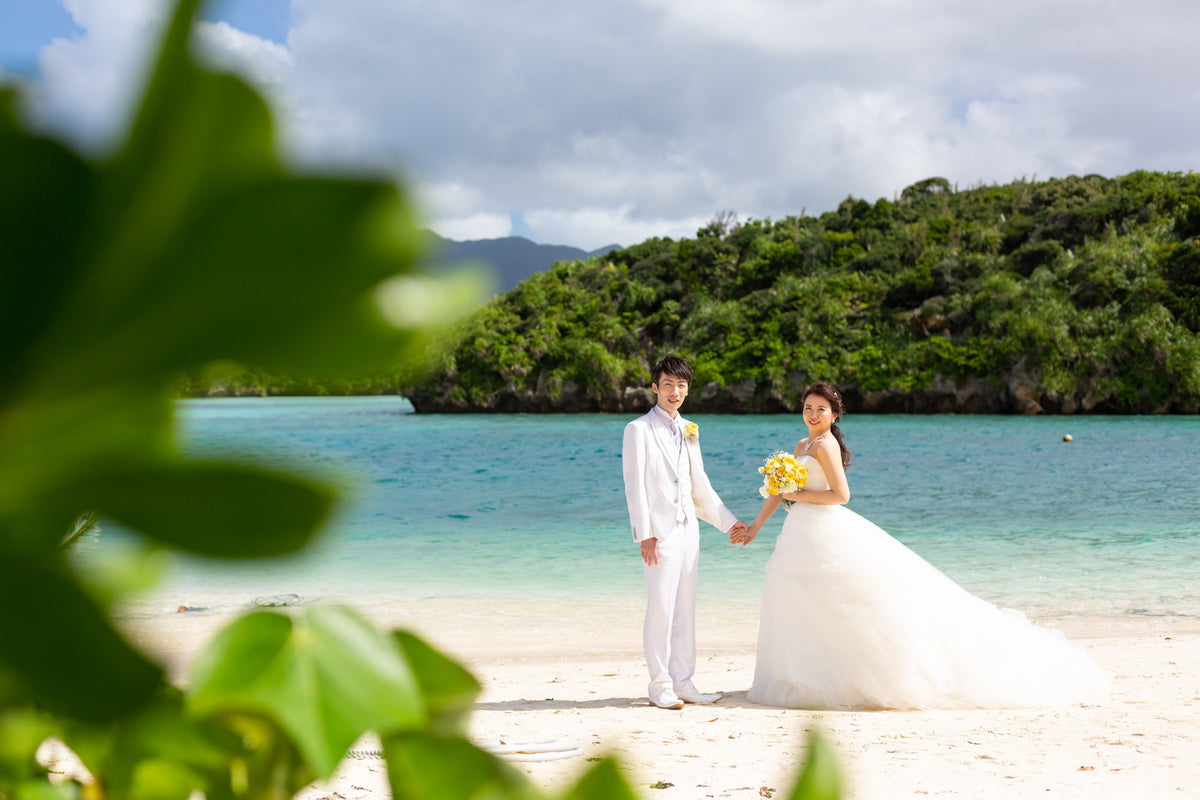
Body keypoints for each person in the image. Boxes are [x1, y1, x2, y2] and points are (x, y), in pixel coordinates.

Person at [731, 381, 1106, 709]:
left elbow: (840, 496)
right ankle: (801, 676)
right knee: (801, 603)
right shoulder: (802, 444)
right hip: (798, 531)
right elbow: (781, 493)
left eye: (821, 410)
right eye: (808, 408)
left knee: (837, 601)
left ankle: (839, 679)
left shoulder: (825, 446)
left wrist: (799, 494)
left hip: (823, 530)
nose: (812, 414)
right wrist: (757, 526)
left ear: (834, 415)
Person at [623, 355, 748, 709]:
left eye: (680, 385)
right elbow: (635, 486)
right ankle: (659, 685)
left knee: (685, 608)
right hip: (659, 535)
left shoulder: (691, 428)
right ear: (654, 387)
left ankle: (684, 682)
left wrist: (729, 523)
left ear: (687, 388)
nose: (674, 392)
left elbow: (700, 485)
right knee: (660, 607)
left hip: (688, 531)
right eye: (667, 385)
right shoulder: (638, 429)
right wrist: (644, 534)